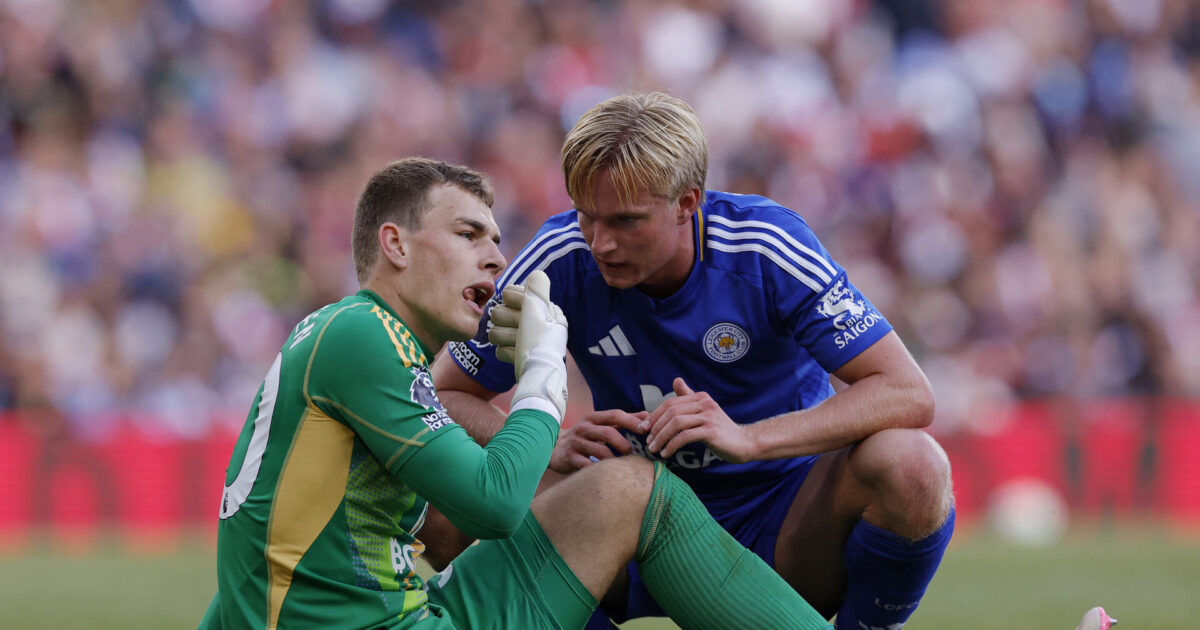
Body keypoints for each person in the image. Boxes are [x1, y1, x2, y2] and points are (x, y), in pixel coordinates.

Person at [198, 156, 833, 629]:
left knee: (612, 491)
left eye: (496, 241)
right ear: (395, 245)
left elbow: (251, 560)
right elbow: (493, 505)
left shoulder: (344, 333)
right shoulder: (365, 335)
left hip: (385, 613)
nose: (497, 259)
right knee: (637, 491)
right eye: (468, 234)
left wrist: (544, 441)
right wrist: (543, 368)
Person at [428, 92, 957, 630]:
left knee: (912, 465)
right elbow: (440, 394)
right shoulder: (557, 258)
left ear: (687, 203)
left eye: (626, 221)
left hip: (782, 519)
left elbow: (906, 391)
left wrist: (750, 439)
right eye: (587, 216)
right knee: (447, 499)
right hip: (623, 515)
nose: (601, 243)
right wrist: (544, 444)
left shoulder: (765, 246)